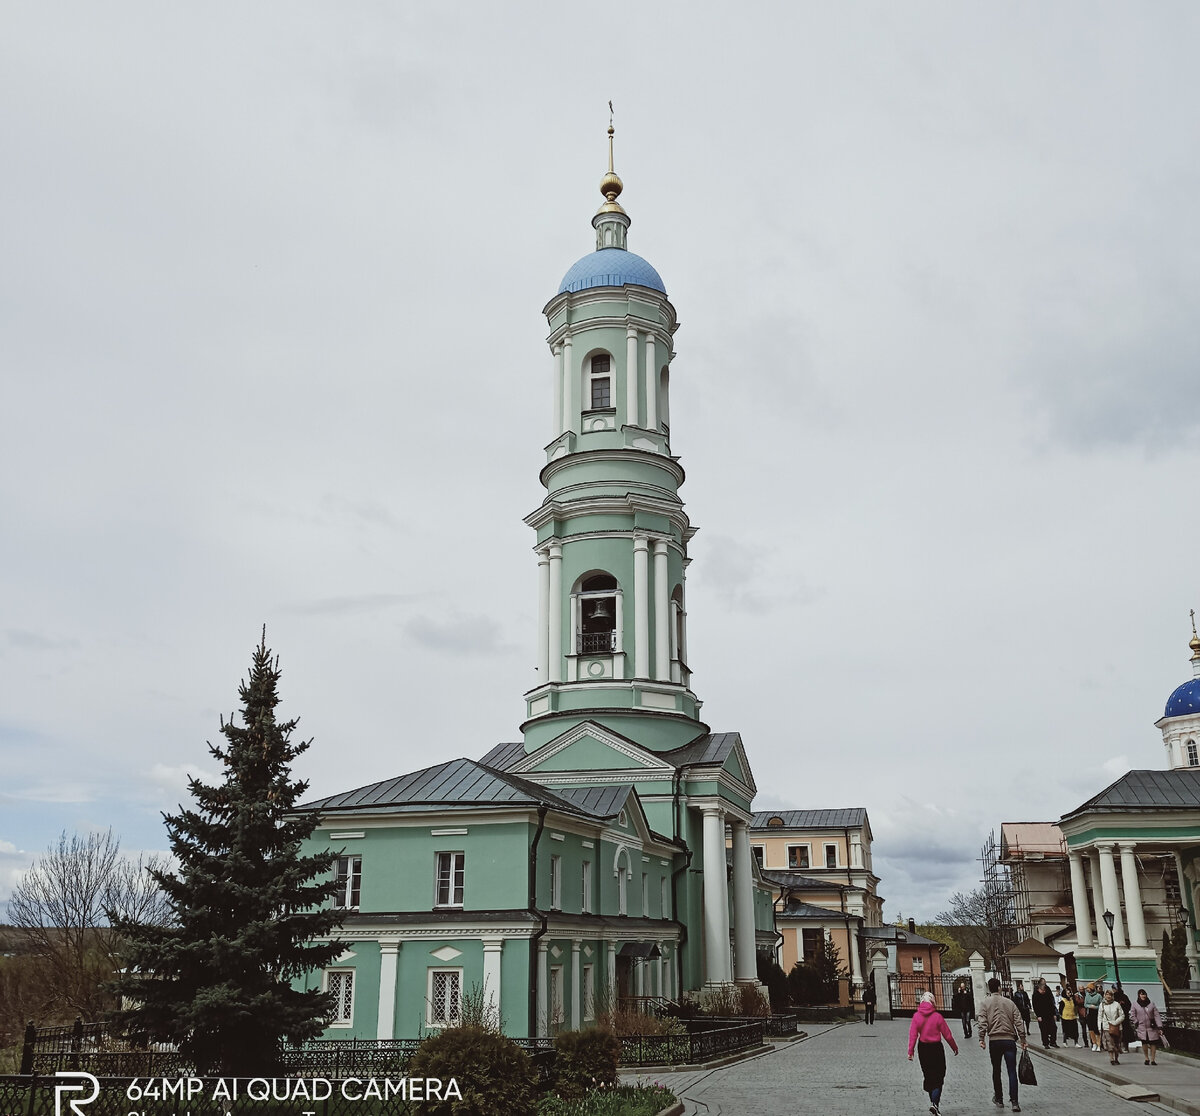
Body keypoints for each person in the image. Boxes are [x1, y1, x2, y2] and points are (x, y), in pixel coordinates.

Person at [979, 976, 1028, 1113]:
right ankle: (1014, 1102)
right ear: (999, 987)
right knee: (1011, 1071)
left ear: (989, 988)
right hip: (1009, 1040)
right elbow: (1019, 1021)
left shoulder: (985, 1003)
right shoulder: (1009, 1003)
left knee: (996, 1070)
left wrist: (981, 1038)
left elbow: (982, 1022)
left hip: (994, 1040)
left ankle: (999, 1098)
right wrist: (1023, 1039)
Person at [909, 991, 959, 1116]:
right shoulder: (937, 1016)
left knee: (929, 1074)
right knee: (939, 1075)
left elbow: (913, 1035)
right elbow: (947, 1034)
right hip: (936, 1048)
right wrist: (954, 1047)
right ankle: (935, 1103)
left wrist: (911, 1051)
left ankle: (933, 1102)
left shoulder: (916, 1017)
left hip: (923, 1048)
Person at [1129, 989, 1164, 1065]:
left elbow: (1156, 1015)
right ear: (1139, 995)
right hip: (1142, 1027)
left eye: (1144, 994)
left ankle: (1153, 1059)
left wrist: (1159, 1026)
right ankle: (1146, 1058)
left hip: (1151, 1027)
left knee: (1153, 1043)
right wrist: (1137, 1022)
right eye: (1141, 994)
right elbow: (1132, 1015)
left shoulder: (1151, 1004)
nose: (1143, 996)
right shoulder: (1135, 1004)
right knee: (1144, 1042)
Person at [1098, 988, 1125, 1065]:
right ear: (1104, 996)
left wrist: (1116, 1022)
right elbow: (1100, 1016)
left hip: (1117, 1027)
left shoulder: (1116, 1004)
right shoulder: (1102, 1005)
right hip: (1107, 1027)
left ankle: (1116, 1058)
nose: (1108, 996)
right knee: (1110, 1043)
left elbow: (1122, 1015)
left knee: (1117, 1043)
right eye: (1107, 995)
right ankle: (1111, 1058)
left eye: (1110, 995)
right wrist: (1100, 1027)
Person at [1032, 977, 1059, 1047]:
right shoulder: (1036, 993)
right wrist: (1038, 1015)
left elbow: (1051, 1002)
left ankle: (1053, 1042)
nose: (1044, 985)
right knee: (1044, 1030)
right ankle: (1046, 1043)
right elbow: (1035, 1005)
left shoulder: (1048, 990)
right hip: (1041, 1014)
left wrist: (1054, 1013)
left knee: (1054, 1028)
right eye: (1043, 984)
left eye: (1045, 984)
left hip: (1050, 1013)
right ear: (1039, 985)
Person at [1059, 984, 1080, 1048]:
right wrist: (1061, 1016)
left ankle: (1076, 1042)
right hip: (1065, 1018)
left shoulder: (1072, 1000)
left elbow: (1076, 1006)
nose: (1069, 994)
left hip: (1073, 1017)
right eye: (1068, 993)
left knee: (1075, 1031)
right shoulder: (1063, 1001)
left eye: (1069, 993)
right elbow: (1060, 1010)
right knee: (1066, 1030)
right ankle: (1064, 1041)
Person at [1084, 982, 1103, 1050]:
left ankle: (1099, 1044)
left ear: (1092, 988)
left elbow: (1101, 1005)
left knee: (1096, 1029)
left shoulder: (1098, 996)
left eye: (1088, 988)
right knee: (1091, 1029)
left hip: (1096, 1013)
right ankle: (1094, 1043)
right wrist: (1090, 1006)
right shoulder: (1087, 995)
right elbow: (1085, 1004)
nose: (1087, 989)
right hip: (1090, 1013)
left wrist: (1095, 1007)